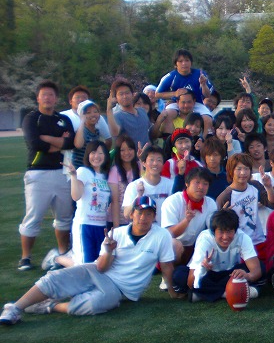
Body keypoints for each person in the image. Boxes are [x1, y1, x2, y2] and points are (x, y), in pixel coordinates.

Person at [1, 196, 176, 325]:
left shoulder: (161, 236)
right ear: (131, 214)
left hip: (120, 289)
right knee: (55, 277)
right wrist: (109, 251)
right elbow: (101, 268)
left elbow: (167, 266)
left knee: (95, 304)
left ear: (154, 217)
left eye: (148, 214)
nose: (143, 218)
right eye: (140, 213)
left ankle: (51, 306)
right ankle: (14, 308)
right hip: (100, 273)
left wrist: (172, 292)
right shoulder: (117, 233)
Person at [18, 80, 76, 271]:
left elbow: (71, 143)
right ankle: (25, 258)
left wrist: (49, 140)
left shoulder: (63, 119)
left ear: (56, 98)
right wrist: (59, 142)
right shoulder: (31, 118)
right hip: (38, 172)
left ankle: (63, 253)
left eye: (51, 94)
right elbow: (35, 144)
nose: (48, 98)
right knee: (33, 216)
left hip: (62, 172)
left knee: (64, 217)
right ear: (38, 98)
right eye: (44, 94)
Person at [45, 141, 112, 270]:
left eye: (100, 153)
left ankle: (72, 255)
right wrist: (74, 176)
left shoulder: (105, 176)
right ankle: (56, 258)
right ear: (88, 155)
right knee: (84, 267)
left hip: (101, 226)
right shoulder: (83, 171)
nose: (96, 156)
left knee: (98, 264)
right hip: (85, 224)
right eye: (93, 152)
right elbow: (76, 196)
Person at [171, 209, 262, 303]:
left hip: (230, 274)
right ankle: (228, 293)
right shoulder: (205, 239)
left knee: (261, 268)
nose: (225, 237)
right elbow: (191, 282)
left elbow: (256, 271)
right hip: (208, 275)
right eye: (221, 232)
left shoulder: (242, 237)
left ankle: (203, 294)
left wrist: (247, 275)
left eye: (229, 231)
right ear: (213, 231)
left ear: (235, 231)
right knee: (179, 275)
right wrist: (202, 269)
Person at [161, 167, 218, 265]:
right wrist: (186, 220)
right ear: (187, 183)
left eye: (205, 184)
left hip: (195, 246)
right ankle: (171, 272)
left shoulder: (210, 203)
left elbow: (213, 230)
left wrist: (222, 217)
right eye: (197, 182)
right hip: (176, 245)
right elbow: (169, 234)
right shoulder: (172, 201)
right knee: (174, 244)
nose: (201, 187)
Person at [122, 145, 173, 224]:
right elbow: (127, 214)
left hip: (164, 230)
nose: (155, 163)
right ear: (143, 163)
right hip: (142, 230)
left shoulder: (171, 185)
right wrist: (139, 196)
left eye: (159, 160)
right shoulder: (133, 186)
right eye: (151, 160)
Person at [108, 79, 152, 149]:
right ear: (116, 98)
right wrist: (109, 109)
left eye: (127, 93)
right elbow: (115, 133)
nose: (125, 96)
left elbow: (147, 133)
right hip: (130, 155)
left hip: (147, 154)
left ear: (133, 94)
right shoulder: (117, 116)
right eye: (121, 94)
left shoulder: (142, 111)